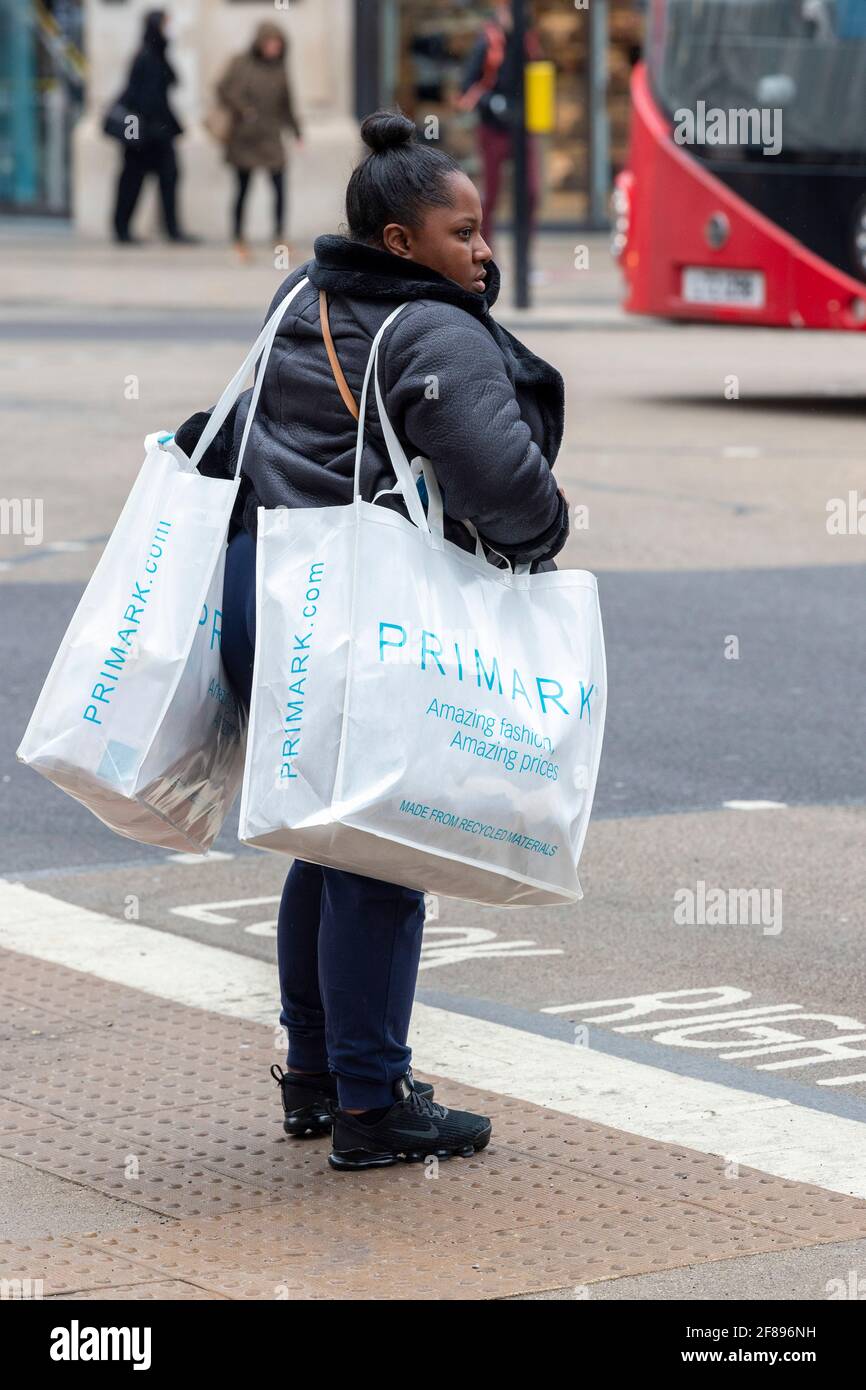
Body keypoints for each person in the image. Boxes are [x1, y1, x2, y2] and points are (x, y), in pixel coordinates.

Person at [174, 109, 569, 1172]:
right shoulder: (434, 331)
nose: (481, 251)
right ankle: (370, 1101)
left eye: (483, 231)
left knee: (325, 838)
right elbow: (506, 486)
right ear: (401, 243)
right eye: (462, 233)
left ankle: (317, 1075)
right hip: (359, 622)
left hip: (266, 593)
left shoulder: (299, 297)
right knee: (386, 857)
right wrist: (549, 531)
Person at [458, 1, 542, 251]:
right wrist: (491, 102)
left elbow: (537, 77)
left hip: (522, 130)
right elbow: (467, 86)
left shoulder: (528, 42)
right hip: (493, 130)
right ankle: (484, 253)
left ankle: (525, 255)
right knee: (490, 196)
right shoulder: (487, 43)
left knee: (530, 193)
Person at [215, 22, 303, 261]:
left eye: (278, 45)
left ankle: (279, 235)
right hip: (244, 137)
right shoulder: (241, 63)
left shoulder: (280, 69)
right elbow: (222, 88)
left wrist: (297, 132)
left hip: (271, 136)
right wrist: (243, 109)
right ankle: (238, 237)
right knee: (243, 188)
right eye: (270, 44)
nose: (274, 49)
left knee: (279, 187)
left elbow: (287, 104)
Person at [111, 10, 196, 245]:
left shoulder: (158, 54)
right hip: (143, 135)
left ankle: (171, 229)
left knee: (168, 180)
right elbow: (146, 99)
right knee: (132, 182)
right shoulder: (146, 56)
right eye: (167, 24)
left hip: (157, 133)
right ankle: (122, 229)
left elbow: (171, 82)